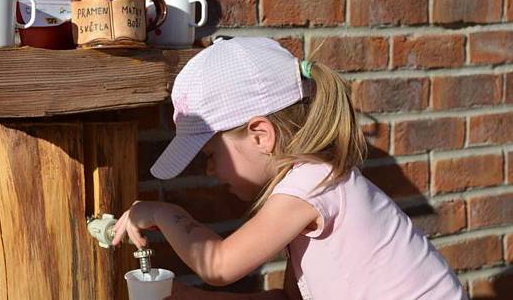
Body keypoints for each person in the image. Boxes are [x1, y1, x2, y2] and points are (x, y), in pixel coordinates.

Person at [112, 37, 466, 299]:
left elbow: (217, 265)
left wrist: (160, 211)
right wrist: (176, 294)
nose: (209, 171)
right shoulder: (309, 186)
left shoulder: (311, 185)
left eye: (209, 154)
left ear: (260, 135)